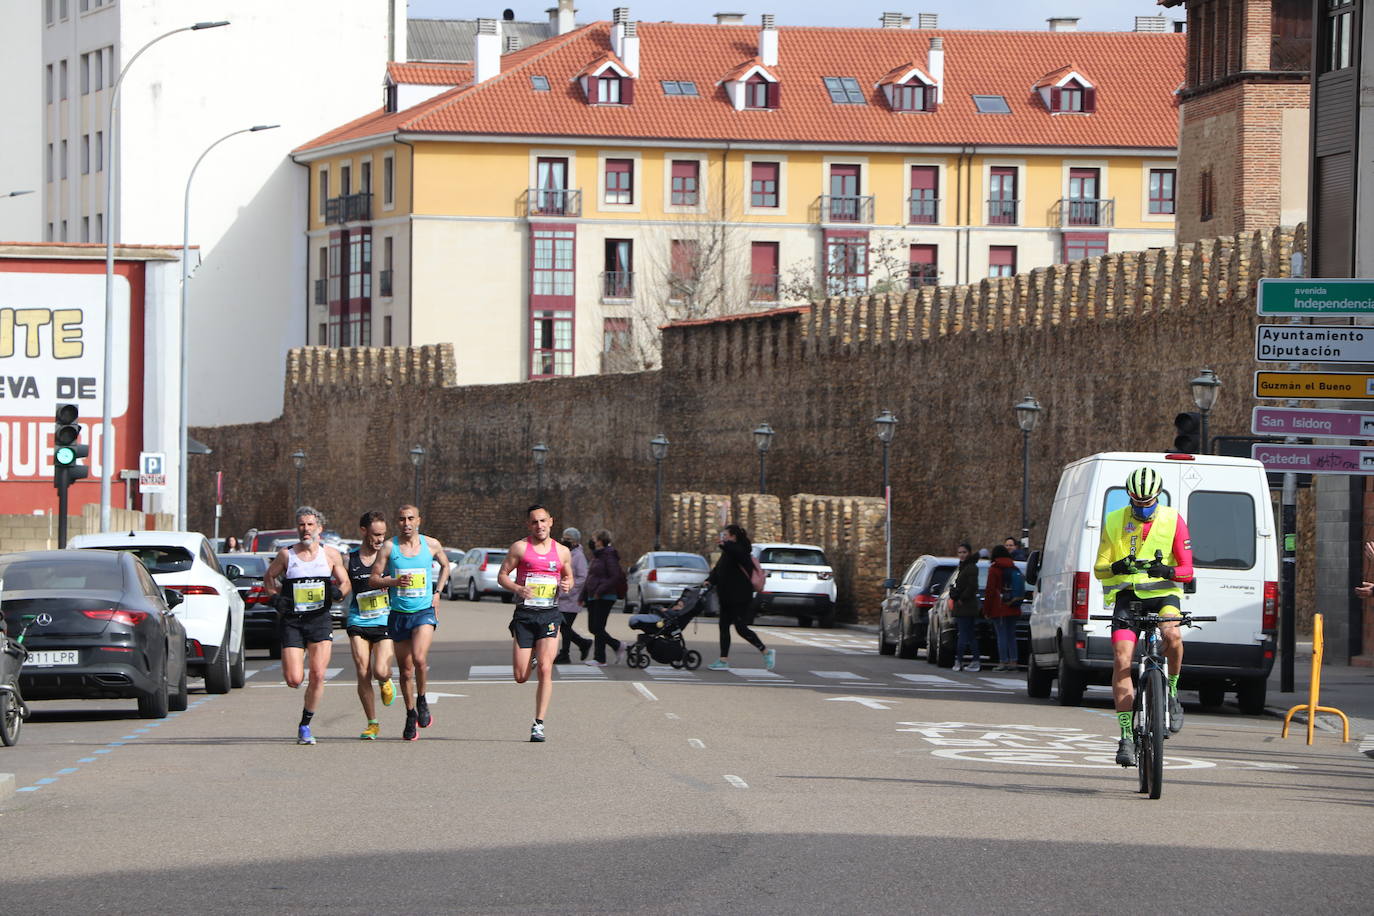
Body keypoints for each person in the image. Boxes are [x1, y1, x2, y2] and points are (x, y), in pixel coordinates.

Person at [1094, 466, 1194, 767]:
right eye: (1137, 502)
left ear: (1157, 497)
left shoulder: (1173, 519)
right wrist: (1116, 566)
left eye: (1148, 502)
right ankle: (1125, 735)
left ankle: (1172, 692)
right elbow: (1099, 568)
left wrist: (1169, 571)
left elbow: (1188, 570)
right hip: (1128, 597)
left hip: (1164, 594)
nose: (1143, 507)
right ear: (1130, 497)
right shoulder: (1114, 521)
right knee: (1122, 659)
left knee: (1172, 635)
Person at [263, 506, 351, 745]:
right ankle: (296, 667)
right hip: (293, 621)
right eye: (302, 525)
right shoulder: (286, 555)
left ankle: (305, 725)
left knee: (319, 675)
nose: (306, 529)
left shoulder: (330, 555)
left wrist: (338, 593)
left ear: (319, 529)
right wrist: (275, 598)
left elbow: (345, 583)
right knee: (293, 679)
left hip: (320, 621)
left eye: (310, 525)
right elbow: (269, 577)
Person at [369, 504, 450, 741]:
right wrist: (394, 582)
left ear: (418, 521)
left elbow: (446, 566)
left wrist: (438, 592)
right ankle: (410, 712)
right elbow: (374, 578)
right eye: (402, 519)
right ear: (398, 522)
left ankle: (422, 699)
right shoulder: (389, 547)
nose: (406, 523)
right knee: (405, 671)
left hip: (423, 611)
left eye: (410, 519)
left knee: (420, 658)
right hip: (398, 614)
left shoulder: (431, 544)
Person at [497, 505, 575, 742]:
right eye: (534, 522)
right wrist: (517, 588)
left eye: (543, 521)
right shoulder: (520, 548)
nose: (539, 526)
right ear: (528, 525)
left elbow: (568, 576)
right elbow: (502, 575)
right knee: (520, 677)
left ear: (551, 522)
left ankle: (538, 724)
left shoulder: (562, 552)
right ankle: (532, 658)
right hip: (525, 615)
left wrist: (567, 585)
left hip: (550, 614)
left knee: (545, 668)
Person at [346, 511, 396, 740]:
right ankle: (372, 723)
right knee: (362, 671)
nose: (379, 540)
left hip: (385, 619)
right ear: (363, 531)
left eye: (383, 535)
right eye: (376, 534)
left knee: (380, 671)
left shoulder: (389, 558)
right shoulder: (350, 559)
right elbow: (343, 584)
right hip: (358, 619)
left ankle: (386, 680)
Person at [706, 524, 775, 671]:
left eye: (726, 535)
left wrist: (725, 545)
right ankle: (723, 660)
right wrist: (710, 580)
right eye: (723, 535)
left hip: (740, 597)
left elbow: (736, 552)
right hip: (725, 596)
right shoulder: (727, 552)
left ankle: (766, 651)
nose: (723, 538)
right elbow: (718, 569)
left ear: (734, 537)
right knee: (723, 626)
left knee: (740, 627)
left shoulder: (742, 551)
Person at [581, 530, 627, 667]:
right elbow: (590, 577)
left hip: (605, 596)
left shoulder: (609, 555)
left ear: (600, 541)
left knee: (598, 627)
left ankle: (600, 658)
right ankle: (617, 645)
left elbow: (615, 576)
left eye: (594, 539)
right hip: (593, 596)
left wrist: (600, 591)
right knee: (593, 627)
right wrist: (583, 595)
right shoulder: (597, 556)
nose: (592, 541)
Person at [553, 527, 594, 664]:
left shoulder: (579, 556)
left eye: (568, 539)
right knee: (563, 626)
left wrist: (569, 589)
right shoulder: (565, 553)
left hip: (572, 598)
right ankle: (581, 644)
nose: (564, 541)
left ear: (575, 541)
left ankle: (566, 653)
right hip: (562, 598)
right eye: (563, 538)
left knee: (564, 627)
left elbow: (582, 578)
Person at [984, 544, 1021, 671]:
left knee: (1001, 635)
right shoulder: (1014, 567)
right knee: (1011, 635)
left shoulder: (994, 569)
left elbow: (989, 591)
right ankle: (1014, 661)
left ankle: (1003, 661)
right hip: (1014, 606)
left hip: (999, 608)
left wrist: (986, 610)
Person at [950, 542, 980, 671]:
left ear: (969, 553)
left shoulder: (971, 567)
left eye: (964, 552)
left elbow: (972, 586)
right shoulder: (964, 567)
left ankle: (960, 660)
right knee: (969, 634)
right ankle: (974, 660)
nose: (962, 555)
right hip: (965, 605)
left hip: (966, 606)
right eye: (960, 552)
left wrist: (962, 598)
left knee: (963, 634)